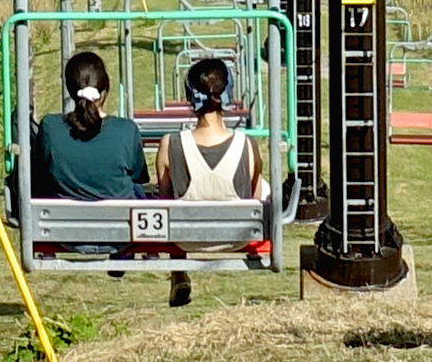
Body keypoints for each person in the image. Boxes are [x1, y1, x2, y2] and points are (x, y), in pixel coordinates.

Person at [152, 54, 266, 305]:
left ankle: (178, 272)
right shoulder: (247, 145)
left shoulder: (170, 145)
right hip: (237, 235)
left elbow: (164, 199)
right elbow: (255, 199)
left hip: (185, 236)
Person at [27, 47, 151, 204]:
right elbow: (139, 176)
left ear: (70, 90)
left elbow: (40, 175)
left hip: (62, 220)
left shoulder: (51, 128)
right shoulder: (126, 130)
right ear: (105, 88)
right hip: (120, 221)